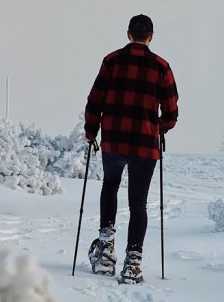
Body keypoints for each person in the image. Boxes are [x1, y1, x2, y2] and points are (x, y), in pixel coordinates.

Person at [84, 14, 179, 284]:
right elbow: (171, 112)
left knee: (110, 186)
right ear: (151, 37)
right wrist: (158, 128)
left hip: (114, 140)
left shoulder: (111, 61)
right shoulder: (161, 67)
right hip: (144, 144)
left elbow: (95, 100)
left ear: (128, 34)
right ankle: (132, 264)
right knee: (138, 203)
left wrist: (91, 131)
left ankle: (105, 253)